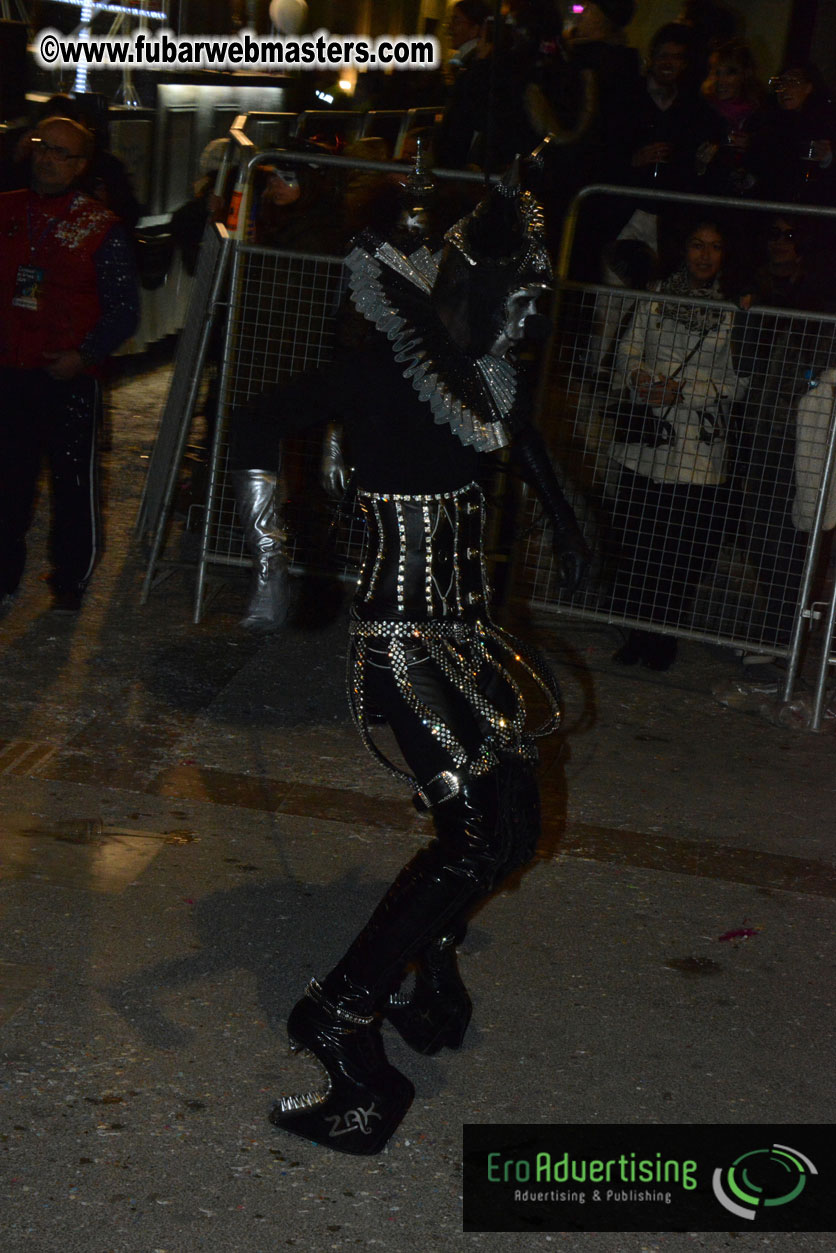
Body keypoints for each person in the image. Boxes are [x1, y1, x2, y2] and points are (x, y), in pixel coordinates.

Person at [230, 162, 589, 1154]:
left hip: (468, 638)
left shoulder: (483, 380)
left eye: (539, 300)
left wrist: (564, 514)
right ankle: (337, 1024)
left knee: (508, 827)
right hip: (402, 646)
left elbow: (513, 442)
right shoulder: (384, 372)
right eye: (521, 296)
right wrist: (270, 560)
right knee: (476, 835)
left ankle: (426, 975)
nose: (532, 315)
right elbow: (256, 420)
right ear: (470, 289)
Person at [0, 117, 139, 613]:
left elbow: (124, 310)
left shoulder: (100, 227)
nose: (48, 159)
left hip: (68, 379)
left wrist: (85, 356)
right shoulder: (8, 209)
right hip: (9, 372)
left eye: (61, 153)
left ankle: (69, 580)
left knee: (72, 483)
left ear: (81, 166)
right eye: (42, 148)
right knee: (8, 481)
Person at [606, 216, 747, 670]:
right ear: (682, 249)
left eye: (715, 246)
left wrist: (683, 391)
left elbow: (738, 382)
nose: (705, 256)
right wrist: (640, 378)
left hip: (698, 452)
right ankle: (639, 633)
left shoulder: (735, 311)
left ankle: (664, 637)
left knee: (683, 551)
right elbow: (628, 349)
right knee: (639, 544)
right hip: (646, 441)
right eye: (696, 244)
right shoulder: (655, 296)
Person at [696, 39, 768, 197]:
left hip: (746, 210)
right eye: (716, 72)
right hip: (707, 206)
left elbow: (773, 168)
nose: (721, 81)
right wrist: (700, 164)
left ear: (745, 74)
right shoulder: (700, 113)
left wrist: (752, 148)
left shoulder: (763, 115)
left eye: (730, 72)